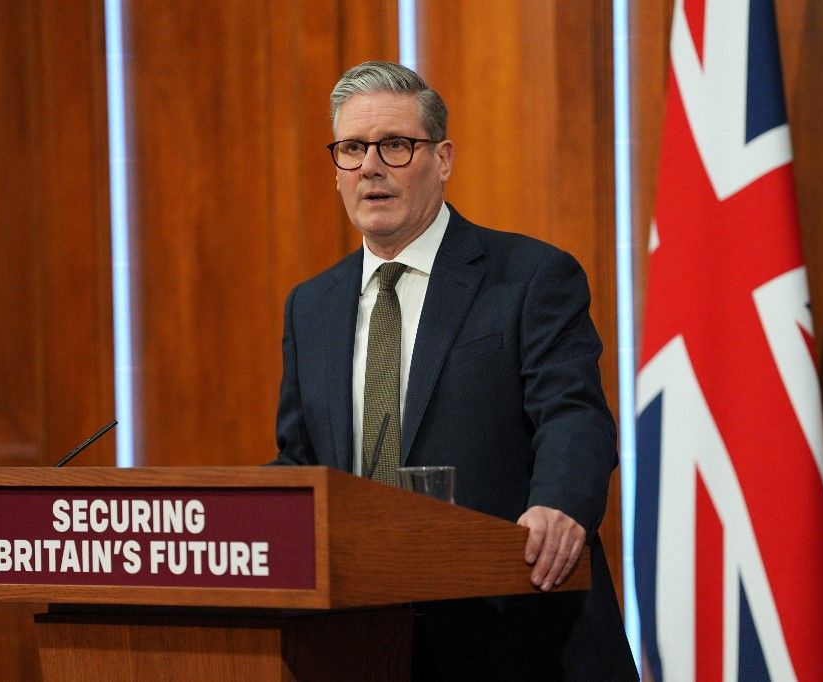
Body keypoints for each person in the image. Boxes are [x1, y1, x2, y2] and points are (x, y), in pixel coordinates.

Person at [273, 60, 637, 681]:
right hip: (361, 639)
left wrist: (559, 504)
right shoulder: (312, 305)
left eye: (395, 144)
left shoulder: (528, 277)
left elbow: (573, 413)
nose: (370, 166)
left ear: (442, 160)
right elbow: (301, 463)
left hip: (515, 632)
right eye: (353, 148)